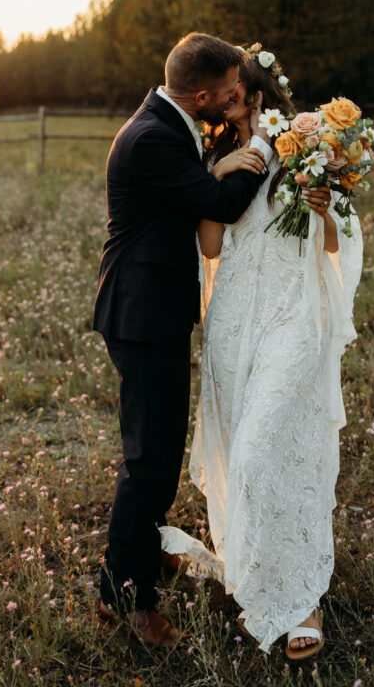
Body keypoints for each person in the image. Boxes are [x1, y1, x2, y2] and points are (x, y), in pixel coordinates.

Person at [160, 47, 363, 659]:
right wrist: (215, 178)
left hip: (292, 316)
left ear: (255, 93)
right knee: (239, 450)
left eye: (232, 90)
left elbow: (339, 236)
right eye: (220, 91)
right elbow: (212, 247)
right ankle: (256, 568)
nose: (221, 98)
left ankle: (299, 597)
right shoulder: (216, 152)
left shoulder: (305, 145)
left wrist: (324, 208)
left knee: (264, 446)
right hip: (233, 323)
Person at [92, 32, 273, 648]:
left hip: (153, 310)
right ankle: (126, 598)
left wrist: (214, 163)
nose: (232, 103)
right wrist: (261, 153)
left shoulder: (165, 126)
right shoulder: (152, 139)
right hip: (142, 317)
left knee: (160, 448)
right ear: (200, 94)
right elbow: (220, 203)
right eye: (226, 95)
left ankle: (145, 547)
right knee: (149, 461)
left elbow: (192, 189)